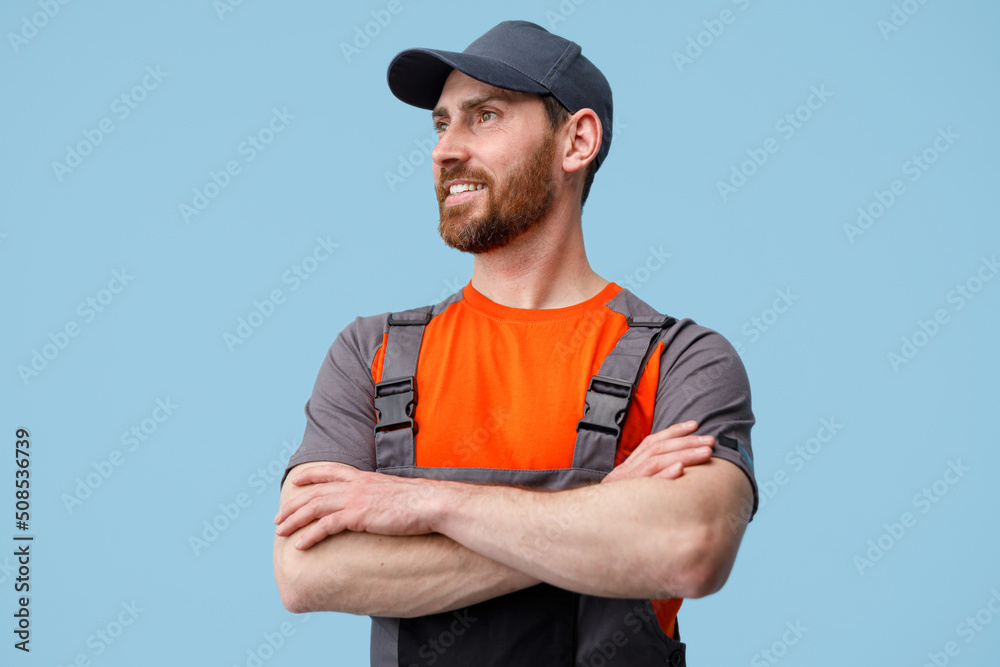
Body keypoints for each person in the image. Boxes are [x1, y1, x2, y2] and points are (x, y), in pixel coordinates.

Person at [273, 20, 757, 667]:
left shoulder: (686, 360)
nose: (447, 149)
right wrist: (604, 508)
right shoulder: (370, 351)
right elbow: (308, 572)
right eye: (442, 124)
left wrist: (423, 502)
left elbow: (689, 548)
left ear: (577, 140)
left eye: (486, 116)